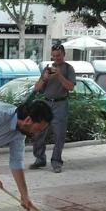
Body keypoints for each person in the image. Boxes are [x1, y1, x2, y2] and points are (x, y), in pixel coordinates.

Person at [29, 44, 75, 173]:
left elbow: (70, 87)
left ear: (63, 54)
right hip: (46, 104)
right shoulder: (47, 69)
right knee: (38, 132)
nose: (56, 58)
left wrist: (59, 75)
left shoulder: (68, 68)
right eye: (54, 56)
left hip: (61, 104)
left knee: (59, 134)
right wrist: (44, 79)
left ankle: (56, 161)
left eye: (58, 55)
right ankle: (39, 159)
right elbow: (37, 88)